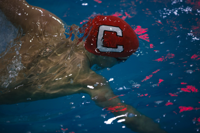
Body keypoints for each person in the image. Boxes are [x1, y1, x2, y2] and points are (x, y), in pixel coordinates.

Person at [0, 0, 167, 133]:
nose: (115, 65)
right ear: (105, 54)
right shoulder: (87, 80)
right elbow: (129, 117)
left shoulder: (46, 24)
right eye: (120, 60)